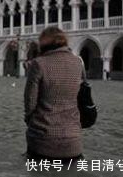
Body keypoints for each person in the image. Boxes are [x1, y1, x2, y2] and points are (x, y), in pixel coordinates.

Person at [23, 26, 84, 161]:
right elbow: (80, 98)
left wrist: (31, 122)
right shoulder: (78, 63)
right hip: (73, 142)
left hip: (42, 141)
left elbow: (30, 102)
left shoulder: (39, 64)